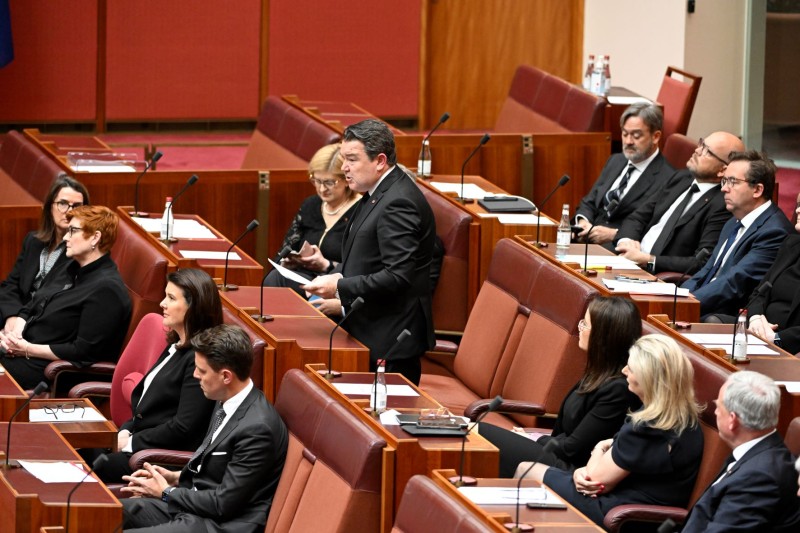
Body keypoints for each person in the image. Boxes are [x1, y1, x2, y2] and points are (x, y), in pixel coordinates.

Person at [516, 334, 704, 528]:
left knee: (527, 471)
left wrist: (599, 447)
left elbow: (594, 480)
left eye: (630, 368)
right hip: (635, 504)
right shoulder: (684, 417)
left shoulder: (648, 426)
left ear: (648, 378)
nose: (624, 371)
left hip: (626, 514)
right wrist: (585, 471)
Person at [301, 119, 436, 385]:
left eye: (352, 159)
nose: (344, 168)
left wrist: (340, 286)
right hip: (368, 327)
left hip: (390, 340)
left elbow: (398, 276)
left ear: (380, 161)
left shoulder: (398, 202)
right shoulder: (375, 192)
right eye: (343, 158)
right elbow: (367, 261)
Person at [121, 324, 289, 533]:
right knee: (107, 513)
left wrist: (166, 492)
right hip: (194, 508)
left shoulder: (258, 429)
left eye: (201, 370)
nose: (195, 376)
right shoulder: (224, 399)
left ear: (226, 376)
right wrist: (175, 476)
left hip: (219, 525)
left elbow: (223, 504)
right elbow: (214, 471)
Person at [480, 296, 642, 477]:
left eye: (585, 324)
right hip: (557, 453)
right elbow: (565, 433)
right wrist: (533, 438)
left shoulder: (618, 389)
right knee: (477, 433)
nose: (579, 329)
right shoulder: (597, 373)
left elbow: (574, 449)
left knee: (480, 433)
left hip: (572, 470)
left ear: (603, 336)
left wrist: (533, 438)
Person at [85, 268, 221, 483]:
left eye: (171, 298)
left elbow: (183, 428)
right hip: (139, 444)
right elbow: (144, 407)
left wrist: (131, 442)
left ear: (193, 306)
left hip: (156, 459)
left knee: (83, 463)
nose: (162, 304)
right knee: (76, 445)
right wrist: (126, 431)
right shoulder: (175, 346)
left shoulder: (199, 361)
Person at [0, 205, 132, 390]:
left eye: (73, 231)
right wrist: (15, 334)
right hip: (22, 347)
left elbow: (81, 351)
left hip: (45, 367)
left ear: (95, 237)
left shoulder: (107, 290)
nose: (65, 237)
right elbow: (33, 303)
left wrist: (27, 348)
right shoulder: (70, 265)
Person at [682, 371, 800, 531]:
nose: (715, 411)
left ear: (732, 420)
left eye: (718, 406)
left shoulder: (759, 478)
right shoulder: (755, 450)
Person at [682, 150, 793, 318]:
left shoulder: (774, 232)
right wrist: (676, 296)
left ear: (757, 190)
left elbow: (735, 283)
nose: (724, 189)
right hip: (702, 305)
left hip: (724, 317)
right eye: (724, 181)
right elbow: (706, 272)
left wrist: (685, 305)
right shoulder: (733, 222)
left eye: (732, 182)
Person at [615, 132, 742, 274]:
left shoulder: (722, 205)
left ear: (722, 171)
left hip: (658, 276)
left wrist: (648, 260)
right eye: (701, 143)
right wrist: (626, 241)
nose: (697, 150)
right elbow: (638, 217)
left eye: (706, 151)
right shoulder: (680, 178)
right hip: (629, 259)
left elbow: (700, 262)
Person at [265, 143, 361, 317]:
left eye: (329, 182)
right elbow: (286, 247)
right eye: (316, 180)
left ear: (346, 180)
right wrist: (289, 261)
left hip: (334, 283)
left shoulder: (360, 212)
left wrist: (325, 265)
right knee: (274, 276)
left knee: (280, 283)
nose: (322, 188)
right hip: (304, 276)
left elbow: (359, 266)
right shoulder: (311, 204)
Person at [574, 102, 675, 249]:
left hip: (617, 249)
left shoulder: (667, 179)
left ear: (656, 136)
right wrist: (583, 223)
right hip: (585, 240)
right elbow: (589, 201)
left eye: (636, 136)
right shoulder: (616, 160)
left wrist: (615, 234)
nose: (628, 141)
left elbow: (653, 230)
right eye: (625, 134)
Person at [0, 174, 90, 333]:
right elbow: (11, 285)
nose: (69, 211)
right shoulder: (33, 241)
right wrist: (11, 316)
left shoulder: (81, 253)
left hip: (40, 324)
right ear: (50, 207)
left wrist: (20, 323)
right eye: (62, 203)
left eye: (76, 206)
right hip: (14, 313)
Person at [746, 192, 800, 354]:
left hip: (790, 344)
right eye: (798, 205)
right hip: (759, 331)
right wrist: (755, 318)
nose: (798, 210)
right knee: (712, 321)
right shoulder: (791, 244)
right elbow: (759, 293)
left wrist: (776, 339)